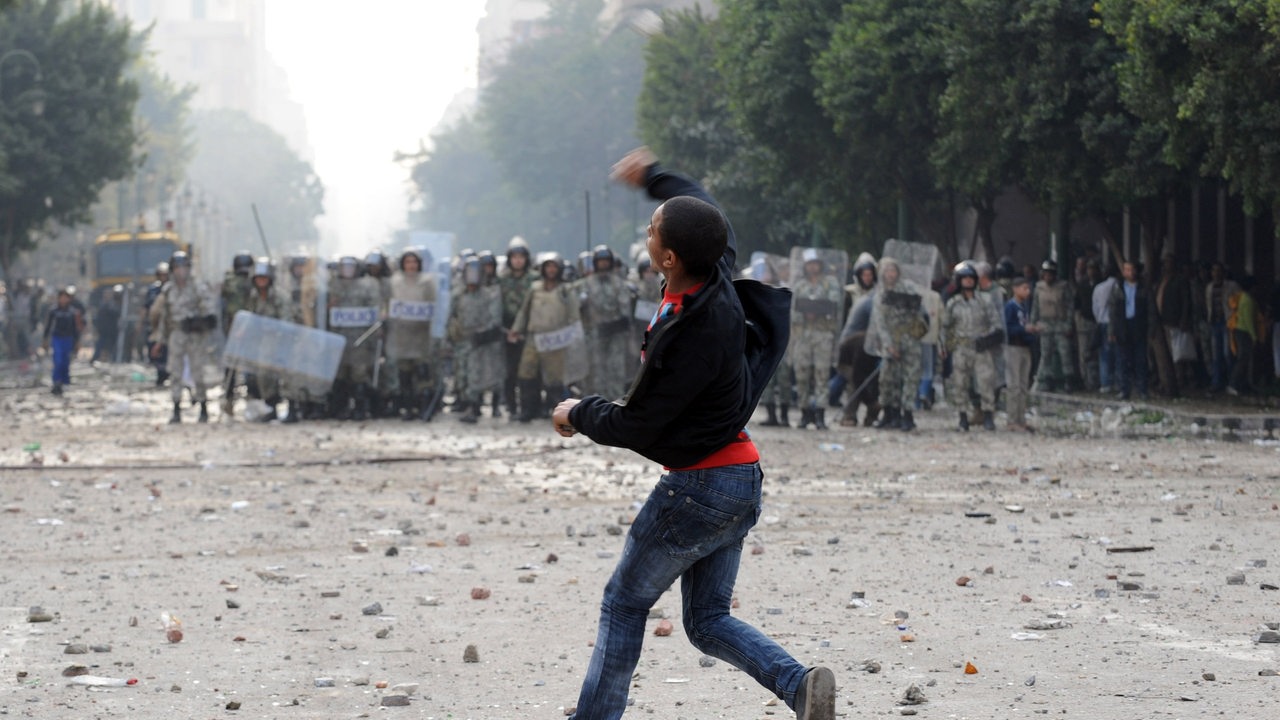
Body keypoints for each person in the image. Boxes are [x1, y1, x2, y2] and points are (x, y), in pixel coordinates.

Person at [552, 147, 834, 720]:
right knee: (707, 621)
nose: (647, 230)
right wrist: (655, 179)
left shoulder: (691, 333)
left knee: (623, 604)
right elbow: (705, 207)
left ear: (669, 256)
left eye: (653, 228)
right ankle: (800, 686)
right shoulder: (715, 276)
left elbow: (640, 424)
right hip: (741, 478)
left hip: (700, 490)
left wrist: (577, 413)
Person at [509, 253, 581, 422]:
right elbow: (524, 312)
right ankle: (528, 409)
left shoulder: (565, 290)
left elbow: (574, 316)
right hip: (534, 337)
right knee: (526, 372)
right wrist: (516, 329)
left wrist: (575, 337)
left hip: (556, 339)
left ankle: (555, 410)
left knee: (554, 377)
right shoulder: (535, 289)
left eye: (554, 266)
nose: (551, 270)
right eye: (547, 266)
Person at [149, 251, 217, 423]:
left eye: (184, 267)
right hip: (177, 333)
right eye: (177, 268)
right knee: (175, 372)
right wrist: (159, 341)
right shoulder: (168, 290)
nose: (181, 272)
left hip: (194, 335)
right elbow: (165, 317)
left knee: (198, 372)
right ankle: (176, 408)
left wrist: (200, 322)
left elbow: (209, 312)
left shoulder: (197, 288)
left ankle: (203, 407)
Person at [867, 257, 928, 431]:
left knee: (910, 378)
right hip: (890, 341)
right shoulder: (880, 294)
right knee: (887, 379)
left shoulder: (908, 288)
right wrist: (889, 344)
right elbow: (880, 322)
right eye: (886, 271)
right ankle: (889, 413)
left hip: (910, 339)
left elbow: (919, 312)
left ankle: (907, 414)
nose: (890, 274)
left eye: (893, 270)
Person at [941, 262, 1003, 431]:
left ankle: (988, 415)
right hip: (961, 348)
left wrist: (987, 338)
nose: (968, 281)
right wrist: (946, 346)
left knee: (986, 382)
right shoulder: (953, 302)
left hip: (981, 347)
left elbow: (996, 323)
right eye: (965, 278)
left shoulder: (985, 300)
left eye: (971, 278)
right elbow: (945, 327)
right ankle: (962, 417)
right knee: (960, 383)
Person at [448, 256, 505, 423]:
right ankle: (472, 406)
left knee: (491, 375)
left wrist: (482, 334)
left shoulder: (491, 294)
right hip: (464, 341)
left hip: (485, 341)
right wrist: (451, 335)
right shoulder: (458, 295)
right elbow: (452, 317)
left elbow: (495, 318)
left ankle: (494, 405)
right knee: (467, 376)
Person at [789, 249, 842, 429]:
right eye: (809, 264)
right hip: (802, 335)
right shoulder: (800, 285)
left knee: (821, 374)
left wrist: (816, 310)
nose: (813, 267)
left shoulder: (830, 283)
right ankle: (805, 413)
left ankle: (820, 414)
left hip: (822, 335)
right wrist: (805, 313)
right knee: (802, 374)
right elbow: (794, 308)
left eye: (816, 263)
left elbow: (833, 305)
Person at [386, 249, 439, 421]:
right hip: (402, 335)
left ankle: (424, 408)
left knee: (423, 373)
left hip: (421, 334)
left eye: (414, 262)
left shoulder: (427, 282)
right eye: (408, 262)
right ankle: (408, 408)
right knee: (404, 375)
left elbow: (433, 305)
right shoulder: (394, 282)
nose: (411, 265)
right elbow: (388, 305)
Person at [578, 245, 634, 401]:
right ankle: (596, 400)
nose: (603, 264)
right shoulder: (586, 284)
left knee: (616, 368)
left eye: (606, 261)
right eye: (600, 261)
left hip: (616, 332)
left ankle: (615, 399)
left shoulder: (619, 283)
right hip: (595, 333)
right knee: (596, 368)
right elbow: (578, 307)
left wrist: (621, 324)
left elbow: (625, 307)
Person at [499, 237, 536, 419]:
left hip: (529, 330)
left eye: (521, 257)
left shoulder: (535, 279)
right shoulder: (502, 279)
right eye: (514, 257)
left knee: (528, 372)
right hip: (506, 330)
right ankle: (511, 406)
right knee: (509, 372)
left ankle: (528, 407)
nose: (518, 260)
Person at [1030, 259, 1075, 392]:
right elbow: (1035, 307)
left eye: (1050, 273)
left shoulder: (1063, 286)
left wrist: (1068, 324)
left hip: (1060, 323)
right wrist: (1033, 323)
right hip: (1045, 324)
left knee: (1065, 353)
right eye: (1046, 273)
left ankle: (1068, 381)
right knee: (1046, 354)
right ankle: (1048, 380)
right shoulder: (1039, 287)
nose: (1048, 276)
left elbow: (1070, 307)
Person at [1108, 260, 1150, 401]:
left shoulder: (1143, 288)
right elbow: (1112, 311)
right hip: (1122, 327)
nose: (1129, 273)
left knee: (1140, 361)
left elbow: (1150, 310)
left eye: (1131, 270)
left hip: (1138, 326)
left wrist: (1151, 328)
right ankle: (1124, 390)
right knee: (1123, 361)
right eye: (1126, 270)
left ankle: (1143, 390)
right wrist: (1112, 330)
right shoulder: (1118, 287)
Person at [1003, 277, 1036, 431]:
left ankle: (1021, 418)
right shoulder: (1010, 307)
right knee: (1014, 385)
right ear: (1015, 289)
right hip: (1013, 348)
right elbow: (1008, 329)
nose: (1027, 292)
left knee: (1023, 385)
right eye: (1024, 288)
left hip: (1024, 347)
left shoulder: (1024, 307)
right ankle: (1012, 420)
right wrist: (1024, 330)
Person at [1204, 263, 1239, 392]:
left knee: (1227, 353)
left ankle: (1232, 382)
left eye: (1219, 271)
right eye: (1214, 271)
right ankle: (1216, 382)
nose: (1216, 273)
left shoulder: (1232, 286)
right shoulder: (1209, 287)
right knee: (1216, 355)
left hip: (1228, 322)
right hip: (1214, 323)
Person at [42, 288, 84, 395]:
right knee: (58, 360)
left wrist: (77, 342)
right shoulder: (53, 311)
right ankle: (56, 382)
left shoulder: (73, 312)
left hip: (68, 339)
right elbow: (48, 326)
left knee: (65, 361)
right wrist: (45, 339)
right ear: (59, 298)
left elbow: (76, 328)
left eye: (66, 297)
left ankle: (64, 382)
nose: (64, 300)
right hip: (57, 338)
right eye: (62, 297)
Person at [1226, 276, 1260, 396]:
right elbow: (1249, 320)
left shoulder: (1242, 298)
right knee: (1243, 359)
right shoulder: (1248, 300)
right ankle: (1233, 384)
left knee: (1244, 359)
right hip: (1244, 331)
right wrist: (1254, 336)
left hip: (1239, 330)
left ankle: (1243, 384)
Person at [1091, 265, 1118, 393]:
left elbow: (1095, 307)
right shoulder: (1118, 287)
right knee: (1117, 354)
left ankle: (1105, 383)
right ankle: (1117, 382)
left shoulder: (1099, 288)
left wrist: (1099, 319)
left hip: (1102, 322)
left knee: (1104, 355)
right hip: (1115, 323)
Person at [144, 262, 170, 386]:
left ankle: (167, 373)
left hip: (170, 326)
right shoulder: (153, 290)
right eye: (161, 275)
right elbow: (147, 308)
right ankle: (160, 373)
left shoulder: (172, 289)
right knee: (154, 349)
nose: (163, 277)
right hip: (156, 325)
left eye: (165, 275)